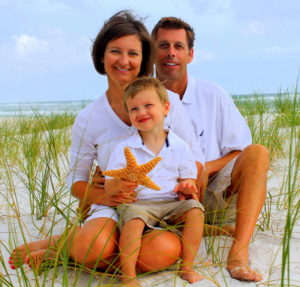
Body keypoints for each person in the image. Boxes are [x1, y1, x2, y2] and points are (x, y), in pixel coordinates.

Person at [8, 11, 205, 275]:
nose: (124, 61)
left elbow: (195, 159)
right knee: (95, 247)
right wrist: (105, 196)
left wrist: (184, 185)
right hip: (111, 207)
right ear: (102, 56)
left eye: (133, 53)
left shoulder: (167, 100)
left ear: (144, 59)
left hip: (161, 205)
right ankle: (73, 244)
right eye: (115, 51)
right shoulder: (89, 117)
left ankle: (62, 251)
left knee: (162, 253)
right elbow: (75, 181)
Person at [151, 17, 270, 282]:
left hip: (214, 188)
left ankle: (238, 252)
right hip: (165, 198)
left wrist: (205, 167)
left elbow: (241, 148)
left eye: (178, 46)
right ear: (152, 51)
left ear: (190, 54)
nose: (171, 52)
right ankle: (204, 229)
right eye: (163, 45)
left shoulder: (212, 94)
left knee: (258, 152)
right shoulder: (141, 96)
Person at [103, 76, 204, 286]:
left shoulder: (180, 146)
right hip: (139, 204)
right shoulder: (125, 148)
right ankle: (128, 275)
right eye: (134, 109)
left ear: (166, 108)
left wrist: (187, 185)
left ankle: (187, 267)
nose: (141, 112)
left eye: (148, 105)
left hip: (171, 202)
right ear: (129, 116)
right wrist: (121, 184)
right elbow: (109, 182)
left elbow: (188, 177)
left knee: (195, 209)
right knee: (134, 220)